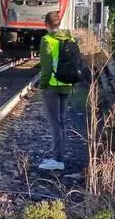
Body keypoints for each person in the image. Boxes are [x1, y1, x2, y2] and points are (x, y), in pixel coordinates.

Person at [38, 11, 78, 171]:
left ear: (46, 24)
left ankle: (57, 159)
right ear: (59, 23)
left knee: (55, 123)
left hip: (52, 87)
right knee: (62, 121)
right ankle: (60, 156)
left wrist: (42, 85)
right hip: (67, 85)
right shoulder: (70, 38)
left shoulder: (46, 40)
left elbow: (46, 67)